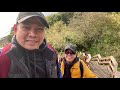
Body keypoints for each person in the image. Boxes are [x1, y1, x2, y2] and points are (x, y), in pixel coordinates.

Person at [0, 12, 59, 78]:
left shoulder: (51, 53)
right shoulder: (6, 55)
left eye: (39, 29)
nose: (32, 34)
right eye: (26, 28)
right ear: (15, 29)